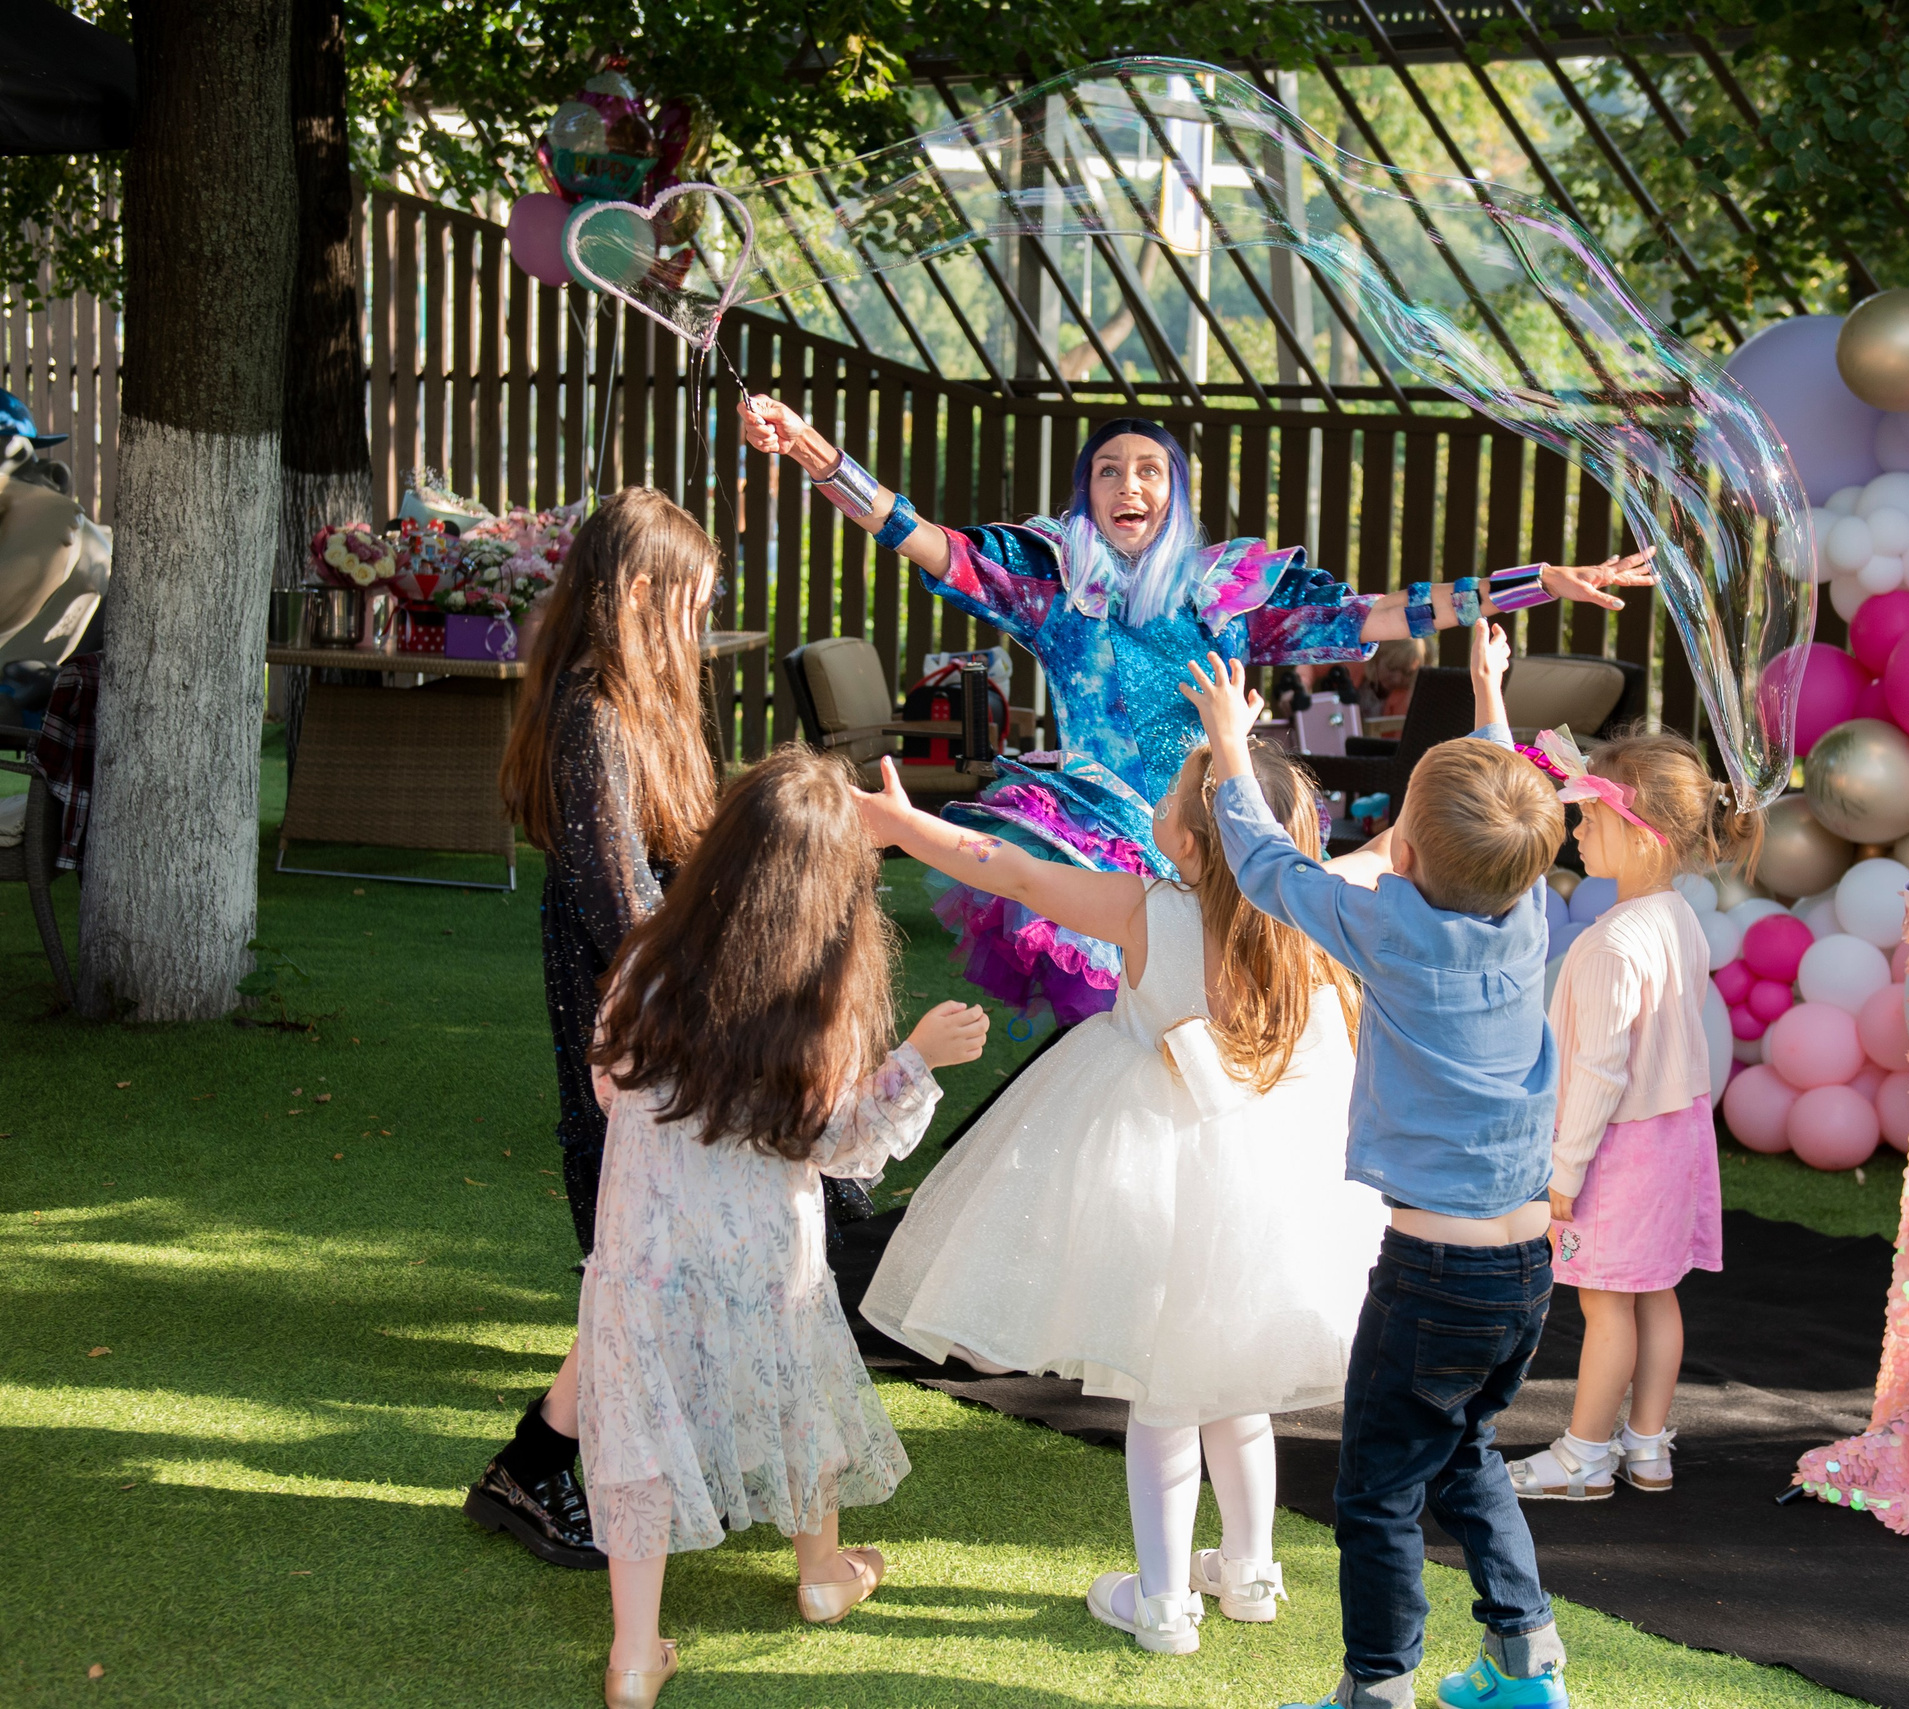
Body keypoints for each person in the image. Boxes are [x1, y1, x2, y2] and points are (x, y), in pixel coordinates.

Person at [736, 394, 1650, 1026]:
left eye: (1147, 471)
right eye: (1107, 473)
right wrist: (816, 450)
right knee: (1115, 1038)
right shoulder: (1057, 597)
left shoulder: (1231, 596)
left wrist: (1531, 585)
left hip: (1225, 839)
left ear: (1176, 491)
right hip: (1096, 838)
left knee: (1218, 1028)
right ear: (1085, 495)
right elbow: (921, 538)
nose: (1127, 486)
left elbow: (1383, 612)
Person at [853, 735, 1385, 1658]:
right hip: (1274, 1184)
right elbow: (1398, 843)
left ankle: (1164, 1599)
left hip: (1157, 1175)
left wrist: (905, 825)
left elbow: (1012, 873)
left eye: (1176, 797)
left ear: (1182, 840)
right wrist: (1492, 716)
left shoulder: (1146, 907)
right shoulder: (1311, 908)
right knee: (1235, 1377)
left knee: (1164, 1389)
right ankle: (1251, 1571)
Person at [1185, 628, 1575, 1709]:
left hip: (1432, 1274)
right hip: (1524, 1268)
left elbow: (1267, 869)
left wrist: (1228, 747)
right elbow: (1507, 812)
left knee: (1377, 1492)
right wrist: (1489, 699)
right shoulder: (1528, 909)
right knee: (1470, 1453)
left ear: (1400, 853)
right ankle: (1522, 1662)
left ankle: (1377, 1689)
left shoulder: (1391, 923)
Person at [578, 748, 991, 1709]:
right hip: (768, 1262)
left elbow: (609, 1085)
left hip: (643, 1256)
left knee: (637, 1440)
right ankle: (822, 1572)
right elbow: (842, 1146)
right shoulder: (820, 998)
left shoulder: (647, 957)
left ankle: (634, 1655)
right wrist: (917, 1060)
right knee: (800, 1397)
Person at [465, 489, 721, 1572]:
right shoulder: (592, 716)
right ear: (636, 596)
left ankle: (591, 1460)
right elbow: (621, 908)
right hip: (623, 1043)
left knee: (650, 1272)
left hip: (654, 1023)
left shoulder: (636, 710)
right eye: (690, 606)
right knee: (634, 1272)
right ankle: (529, 1466)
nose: (697, 632)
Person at [1504, 733, 1728, 1503]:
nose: (1575, 831)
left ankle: (1585, 1454)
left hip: (1621, 1147)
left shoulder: (1609, 945)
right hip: (1676, 1134)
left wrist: (1563, 1173)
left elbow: (1600, 1074)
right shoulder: (1679, 917)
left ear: (1637, 831)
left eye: (1590, 818)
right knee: (1656, 1291)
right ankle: (1648, 1446)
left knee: (1606, 1305)